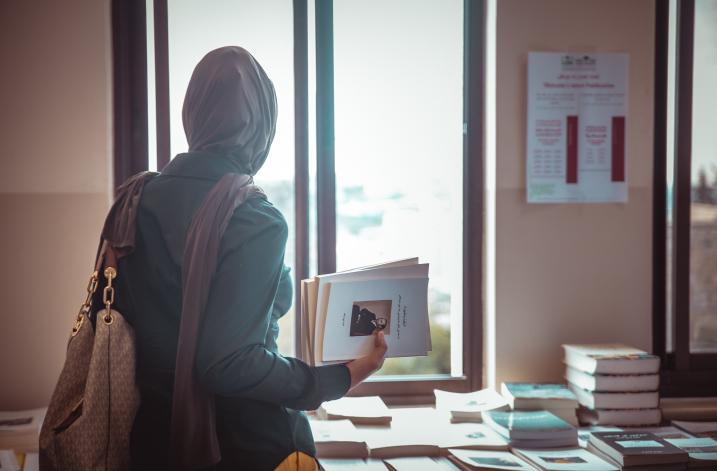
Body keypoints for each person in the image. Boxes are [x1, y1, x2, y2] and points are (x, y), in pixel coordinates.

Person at [113, 46, 387, 470]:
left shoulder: (135, 198)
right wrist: (339, 377)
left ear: (194, 114)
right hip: (239, 448)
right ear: (262, 125)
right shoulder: (253, 217)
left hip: (151, 441)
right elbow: (228, 363)